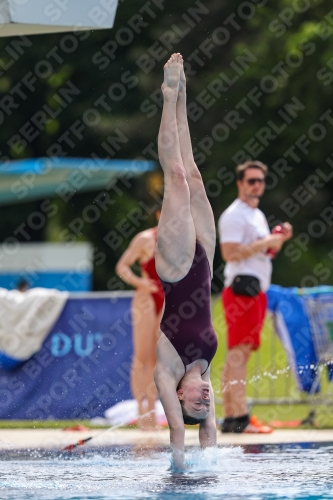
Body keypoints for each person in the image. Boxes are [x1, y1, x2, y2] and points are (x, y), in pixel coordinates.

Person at [154, 53, 218, 470]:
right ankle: (182, 101)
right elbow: (207, 434)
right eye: (205, 404)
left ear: (180, 396)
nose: (206, 398)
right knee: (193, 175)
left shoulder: (168, 370)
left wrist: (181, 467)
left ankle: (166, 95)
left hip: (176, 271)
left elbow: (180, 431)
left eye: (197, 401)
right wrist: (210, 462)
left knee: (175, 176)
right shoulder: (206, 370)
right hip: (206, 264)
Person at [218, 160, 293, 433]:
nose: (257, 185)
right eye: (251, 180)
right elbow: (229, 253)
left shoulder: (257, 214)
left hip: (256, 289)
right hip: (242, 291)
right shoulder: (234, 215)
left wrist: (278, 240)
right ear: (240, 183)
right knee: (238, 355)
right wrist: (266, 242)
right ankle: (239, 418)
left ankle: (232, 418)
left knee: (241, 355)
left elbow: (263, 254)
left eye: (260, 180)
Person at [115, 208, 164, 430]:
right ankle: (141, 409)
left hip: (166, 298)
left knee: (156, 358)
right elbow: (122, 266)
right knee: (141, 356)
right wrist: (139, 282)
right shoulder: (145, 239)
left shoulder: (181, 241)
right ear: (159, 214)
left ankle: (152, 409)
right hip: (147, 295)